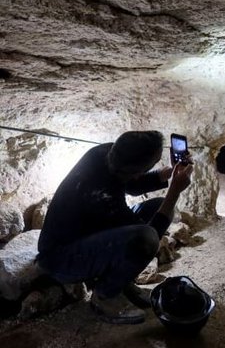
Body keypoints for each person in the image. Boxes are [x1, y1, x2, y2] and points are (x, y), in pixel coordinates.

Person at [37, 130, 193, 324]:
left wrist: (168, 173)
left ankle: (122, 283)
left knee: (155, 207)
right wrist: (174, 192)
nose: (154, 165)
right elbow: (150, 235)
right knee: (145, 238)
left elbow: (131, 184)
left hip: (87, 230)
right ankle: (105, 296)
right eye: (151, 165)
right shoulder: (103, 198)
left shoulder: (106, 153)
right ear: (136, 172)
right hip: (62, 258)